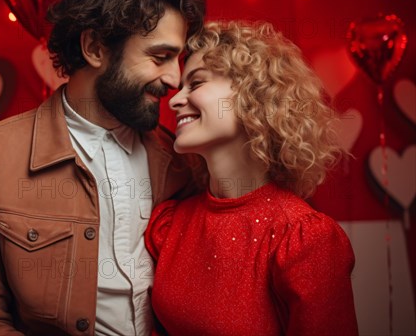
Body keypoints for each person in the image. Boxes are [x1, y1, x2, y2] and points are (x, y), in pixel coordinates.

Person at [0, 0, 206, 335]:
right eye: (159, 57)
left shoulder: (182, 163)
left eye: (178, 60)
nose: (175, 79)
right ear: (95, 48)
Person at [145, 21, 359, 335]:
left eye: (197, 83)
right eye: (179, 88)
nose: (175, 100)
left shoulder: (303, 239)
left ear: (252, 96)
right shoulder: (169, 224)